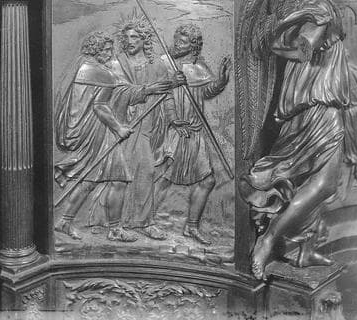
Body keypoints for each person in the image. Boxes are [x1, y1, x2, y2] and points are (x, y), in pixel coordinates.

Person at [240, 0, 351, 280]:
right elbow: (302, 50)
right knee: (325, 182)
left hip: (312, 99)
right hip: (317, 102)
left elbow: (276, 44)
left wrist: (290, 21)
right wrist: (300, 18)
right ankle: (268, 241)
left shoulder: (309, 3)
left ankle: (300, 247)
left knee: (314, 178)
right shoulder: (319, 5)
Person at [54, 30, 174, 243]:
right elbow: (101, 105)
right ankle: (115, 229)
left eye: (111, 49)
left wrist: (161, 86)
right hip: (101, 133)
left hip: (91, 132)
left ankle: (65, 220)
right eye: (107, 50)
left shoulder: (86, 67)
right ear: (97, 50)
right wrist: (119, 128)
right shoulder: (102, 73)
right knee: (117, 180)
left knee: (90, 180)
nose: (111, 54)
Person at [155, 23, 231, 245]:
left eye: (183, 42)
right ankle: (145, 220)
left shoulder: (199, 66)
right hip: (176, 130)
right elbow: (164, 96)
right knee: (163, 178)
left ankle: (191, 226)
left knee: (207, 180)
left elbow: (205, 92)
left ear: (193, 46)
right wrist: (173, 120)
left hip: (194, 132)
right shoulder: (165, 63)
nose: (177, 44)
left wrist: (221, 81)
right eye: (177, 40)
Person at [111, 16, 184, 240]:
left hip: (152, 124)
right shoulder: (118, 63)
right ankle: (123, 224)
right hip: (126, 124)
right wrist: (148, 89)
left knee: (143, 171)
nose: (129, 41)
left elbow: (167, 95)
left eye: (135, 36)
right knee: (134, 171)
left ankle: (137, 222)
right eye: (126, 37)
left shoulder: (157, 64)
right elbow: (118, 93)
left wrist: (173, 118)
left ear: (144, 39)